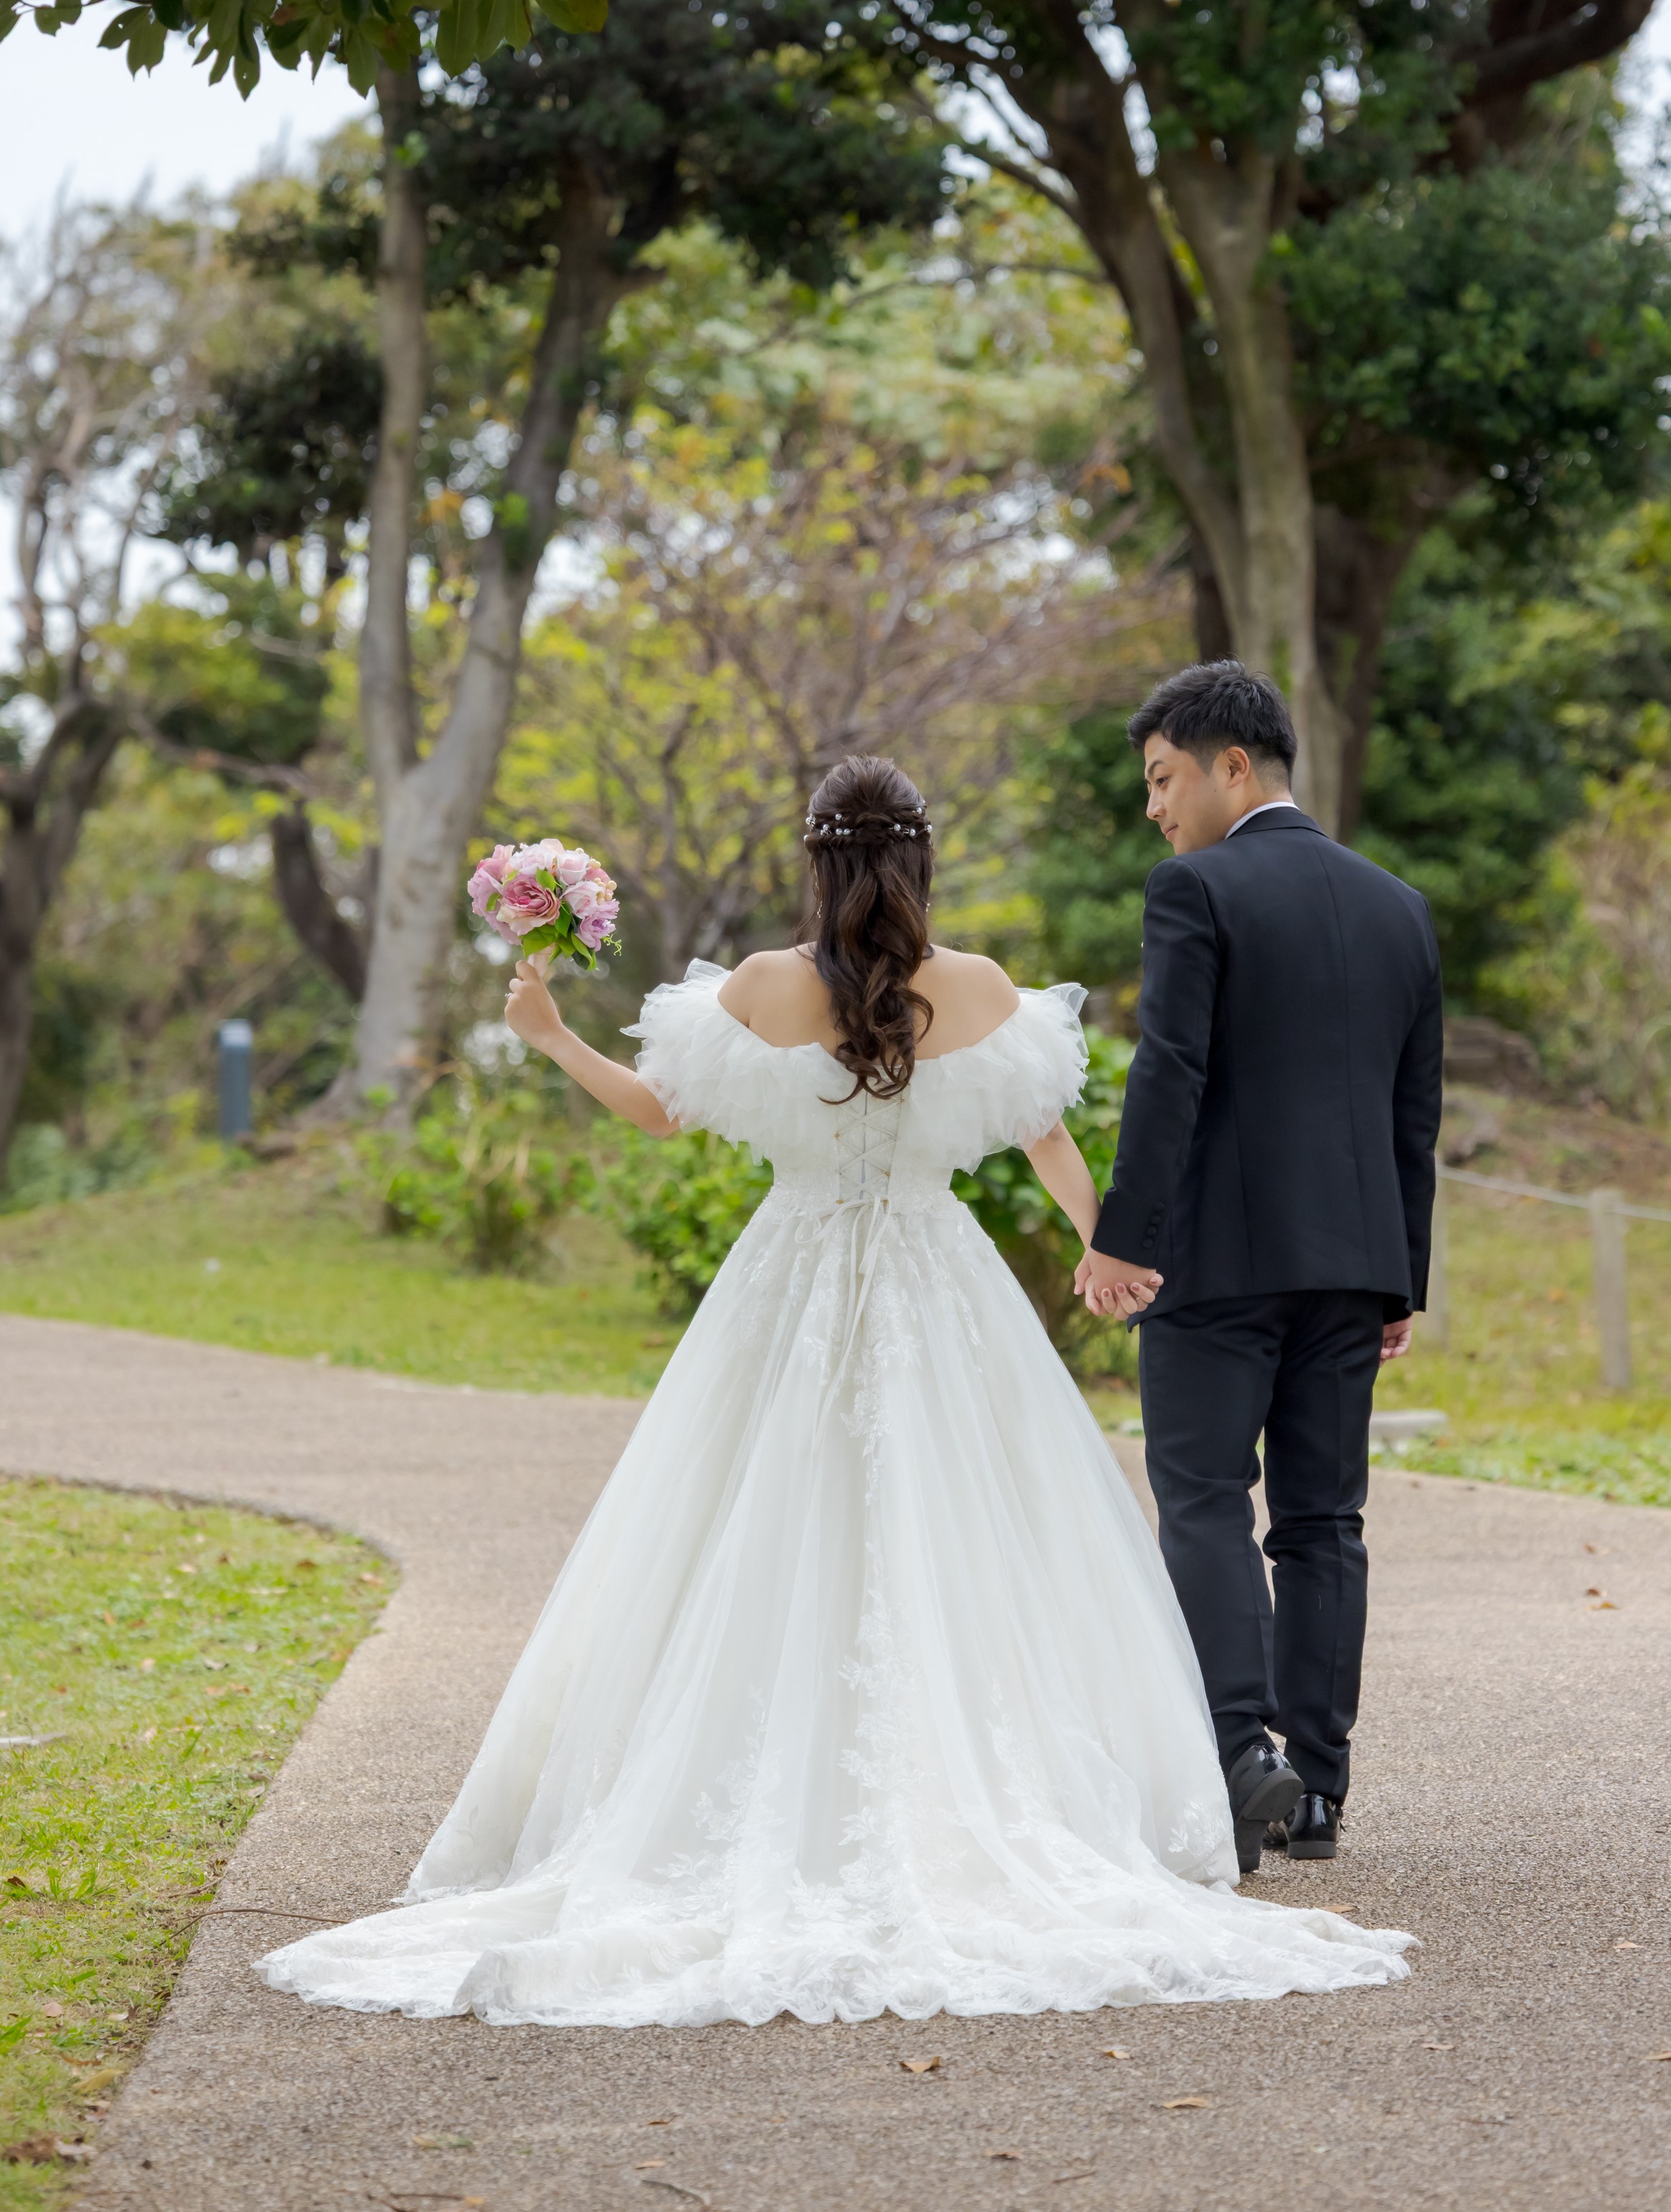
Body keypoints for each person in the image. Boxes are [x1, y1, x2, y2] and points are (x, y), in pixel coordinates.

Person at [257, 755, 1411, 2028]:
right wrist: (1110, 1250)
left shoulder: (761, 986)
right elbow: (1050, 1141)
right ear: (921, 860)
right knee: (972, 1534)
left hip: (788, 1284)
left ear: (817, 861)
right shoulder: (982, 990)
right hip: (939, 1284)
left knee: (752, 1527)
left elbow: (657, 1114)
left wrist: (550, 1035)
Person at [1075, 664, 1443, 1873]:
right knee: (1325, 1520)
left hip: (1217, 1266)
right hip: (1353, 1266)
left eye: (1163, 779)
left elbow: (1169, 1068)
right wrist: (1401, 1278)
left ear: (1233, 767)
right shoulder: (1399, 907)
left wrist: (1125, 1236)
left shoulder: (1195, 888)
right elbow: (1414, 1114)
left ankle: (1243, 1760)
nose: (1154, 809)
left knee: (1202, 1503)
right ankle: (1320, 1788)